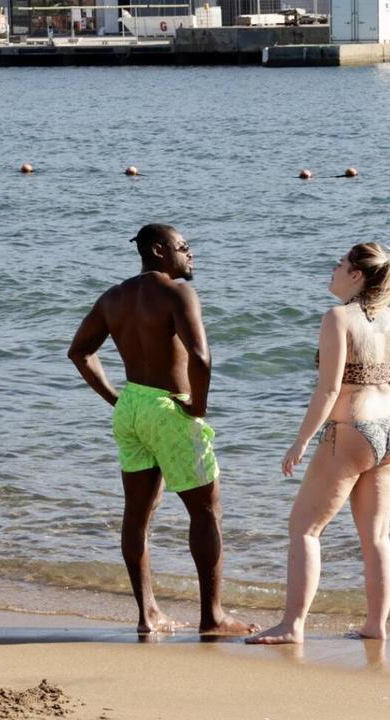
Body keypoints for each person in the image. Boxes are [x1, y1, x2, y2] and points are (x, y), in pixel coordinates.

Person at [67, 223, 258, 637]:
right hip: (170, 408)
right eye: (183, 247)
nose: (191, 254)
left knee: (137, 515)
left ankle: (147, 614)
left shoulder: (113, 297)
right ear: (158, 251)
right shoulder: (177, 293)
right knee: (206, 511)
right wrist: (199, 406)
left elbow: (79, 352)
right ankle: (213, 618)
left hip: (133, 406)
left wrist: (118, 399)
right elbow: (201, 358)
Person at [247, 243, 390, 645]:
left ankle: (293, 626)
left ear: (357, 275)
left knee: (304, 528)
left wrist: (301, 441)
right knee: (376, 536)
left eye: (340, 264)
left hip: (352, 429)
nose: (333, 268)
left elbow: (328, 389)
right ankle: (375, 626)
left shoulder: (338, 318)